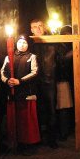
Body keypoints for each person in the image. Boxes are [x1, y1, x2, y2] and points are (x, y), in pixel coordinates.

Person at [1, 35, 40, 155]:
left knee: (27, 120)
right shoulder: (9, 57)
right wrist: (7, 81)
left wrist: (20, 81)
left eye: (24, 42)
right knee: (15, 119)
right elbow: (3, 71)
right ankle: (15, 142)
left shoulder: (32, 57)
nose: (22, 44)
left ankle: (28, 144)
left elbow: (35, 72)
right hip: (13, 93)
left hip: (26, 93)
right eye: (20, 42)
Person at [30, 18, 59, 148]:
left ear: (45, 27)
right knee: (37, 110)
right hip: (35, 82)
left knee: (51, 110)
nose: (38, 29)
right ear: (31, 29)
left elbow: (63, 57)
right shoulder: (30, 44)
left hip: (49, 81)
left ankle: (52, 139)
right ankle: (38, 138)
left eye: (40, 26)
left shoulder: (53, 42)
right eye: (35, 27)